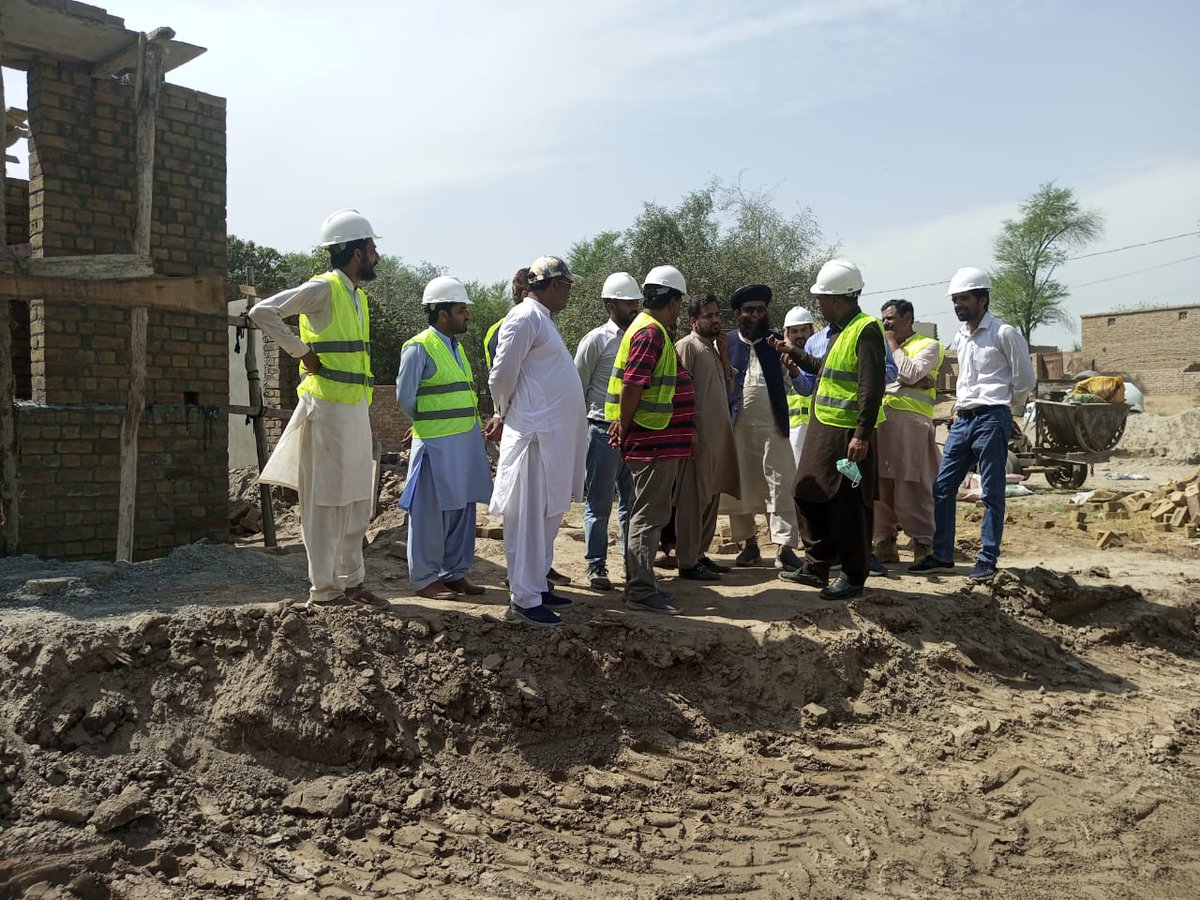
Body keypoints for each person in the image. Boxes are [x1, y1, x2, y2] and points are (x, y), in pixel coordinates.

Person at [250, 209, 388, 608]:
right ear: (357, 251)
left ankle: (352, 582)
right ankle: (325, 591)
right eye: (372, 246)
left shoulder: (356, 296)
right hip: (325, 408)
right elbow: (262, 311)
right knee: (326, 501)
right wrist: (301, 352)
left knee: (357, 498)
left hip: (353, 410)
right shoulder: (324, 288)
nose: (377, 254)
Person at [910, 267, 1035, 583]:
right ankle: (941, 555)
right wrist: (957, 407)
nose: (958, 305)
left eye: (964, 298)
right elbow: (966, 379)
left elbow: (1024, 379)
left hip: (992, 418)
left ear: (983, 298)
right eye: (954, 300)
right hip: (963, 420)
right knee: (942, 486)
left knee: (991, 492)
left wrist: (1008, 411)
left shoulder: (1003, 333)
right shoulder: (961, 336)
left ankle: (987, 559)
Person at [775, 259, 886, 601]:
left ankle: (854, 575)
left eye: (820, 298)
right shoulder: (840, 331)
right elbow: (826, 370)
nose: (817, 304)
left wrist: (862, 434)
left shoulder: (866, 330)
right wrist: (794, 352)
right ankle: (817, 564)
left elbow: (871, 386)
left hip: (849, 435)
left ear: (837, 298)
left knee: (850, 503)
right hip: (824, 431)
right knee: (805, 491)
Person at [487, 256, 587, 626]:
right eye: (567, 286)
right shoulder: (525, 317)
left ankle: (538, 584)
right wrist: (506, 410)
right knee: (527, 517)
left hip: (549, 438)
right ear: (554, 284)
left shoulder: (542, 320)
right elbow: (501, 376)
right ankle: (524, 598)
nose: (569, 293)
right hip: (532, 436)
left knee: (546, 513)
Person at [395, 276, 493, 600]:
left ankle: (453, 574)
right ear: (442, 313)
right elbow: (405, 398)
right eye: (462, 309)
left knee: (462, 510)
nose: (467, 315)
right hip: (435, 445)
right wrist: (421, 421)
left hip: (463, 444)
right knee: (429, 513)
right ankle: (425, 579)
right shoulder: (418, 347)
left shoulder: (458, 348)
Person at [607, 265, 696, 614]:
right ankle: (641, 590)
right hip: (651, 439)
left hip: (654, 438)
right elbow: (633, 384)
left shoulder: (648, 329)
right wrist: (624, 427)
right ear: (673, 302)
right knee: (649, 514)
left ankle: (640, 584)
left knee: (648, 512)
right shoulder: (651, 332)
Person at [720, 284, 804, 570]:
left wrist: (793, 368)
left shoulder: (779, 342)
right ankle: (749, 544)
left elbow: (803, 387)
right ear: (737, 314)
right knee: (739, 484)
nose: (756, 315)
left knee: (780, 484)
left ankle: (784, 548)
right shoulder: (726, 343)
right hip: (736, 428)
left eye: (760, 309)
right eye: (749, 310)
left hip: (774, 427)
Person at [574, 273, 641, 590]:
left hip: (635, 431)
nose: (634, 307)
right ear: (610, 304)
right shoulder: (596, 341)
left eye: (636, 302)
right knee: (599, 503)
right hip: (601, 430)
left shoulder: (640, 339)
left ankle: (633, 565)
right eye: (628, 302)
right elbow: (578, 387)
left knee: (633, 502)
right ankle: (596, 565)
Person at [674, 291, 740, 580]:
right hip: (697, 437)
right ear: (693, 320)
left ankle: (700, 553)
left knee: (712, 496)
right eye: (708, 316)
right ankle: (687, 562)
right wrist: (689, 430)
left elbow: (726, 390)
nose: (715, 320)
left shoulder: (713, 348)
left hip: (719, 437)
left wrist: (724, 355)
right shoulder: (688, 346)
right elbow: (680, 391)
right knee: (693, 499)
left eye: (717, 315)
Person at [873, 299, 944, 565]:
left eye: (891, 318)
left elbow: (910, 373)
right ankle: (884, 541)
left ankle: (923, 544)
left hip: (910, 426)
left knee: (911, 486)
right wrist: (910, 378)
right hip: (881, 422)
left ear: (908, 318)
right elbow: (879, 377)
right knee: (880, 485)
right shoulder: (879, 348)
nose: (886, 324)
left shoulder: (929, 345)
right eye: (884, 319)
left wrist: (892, 347)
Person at [782, 306, 817, 465]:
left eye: (804, 330)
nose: (800, 335)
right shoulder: (781, 360)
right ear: (787, 334)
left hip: (816, 426)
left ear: (811, 330)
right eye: (794, 331)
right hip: (790, 429)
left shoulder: (818, 356)